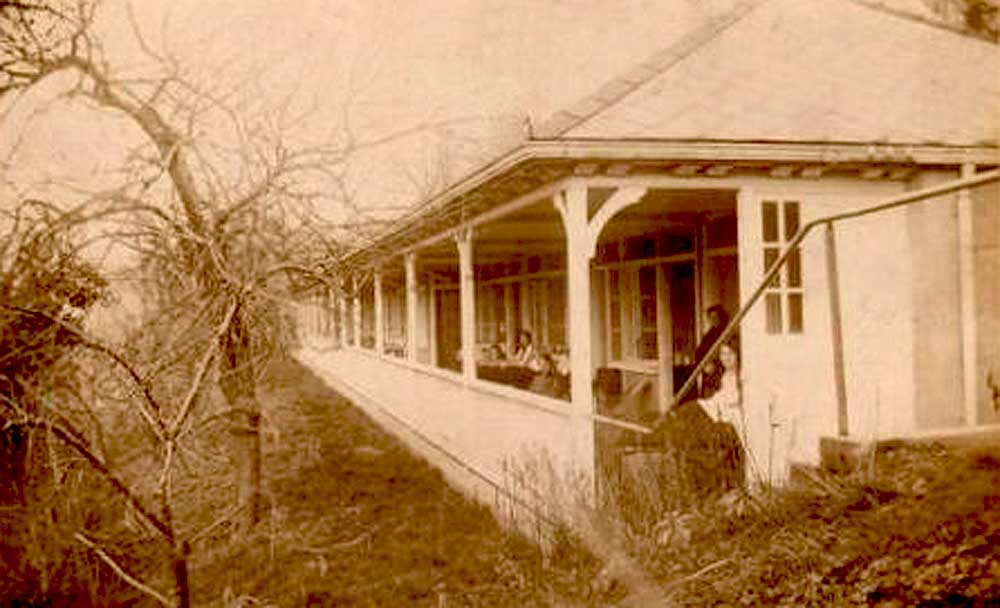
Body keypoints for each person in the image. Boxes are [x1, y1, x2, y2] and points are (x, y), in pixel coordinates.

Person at [693, 304, 729, 397]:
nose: (713, 320)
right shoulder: (708, 336)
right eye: (710, 318)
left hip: (721, 373)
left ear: (721, 317)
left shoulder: (727, 334)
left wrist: (716, 364)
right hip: (708, 375)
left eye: (715, 317)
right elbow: (699, 353)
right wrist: (704, 365)